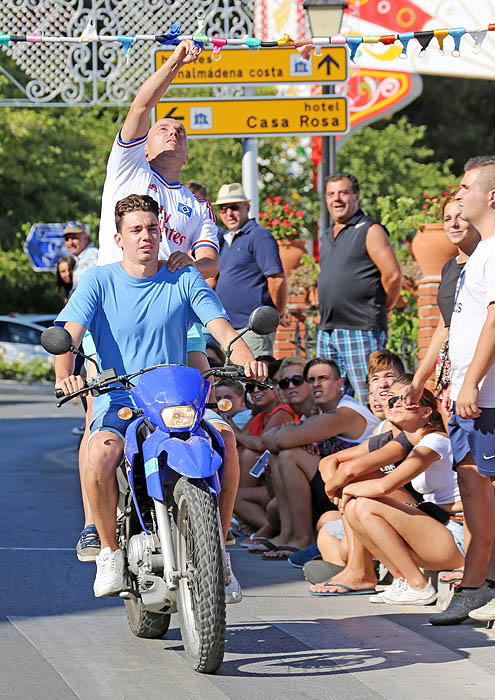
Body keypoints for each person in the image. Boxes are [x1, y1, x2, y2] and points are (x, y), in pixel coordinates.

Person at [78, 42, 242, 590]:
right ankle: (94, 527)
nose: (172, 131)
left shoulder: (193, 205)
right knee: (106, 405)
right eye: (163, 127)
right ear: (143, 143)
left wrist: (193, 260)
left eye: (181, 130)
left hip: (175, 307)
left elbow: (209, 258)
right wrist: (174, 65)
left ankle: (211, 540)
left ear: (189, 153)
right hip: (115, 307)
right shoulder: (128, 173)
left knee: (199, 407)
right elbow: (141, 107)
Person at [54, 194, 267, 598]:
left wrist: (247, 360)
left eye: (152, 228)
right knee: (100, 451)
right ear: (119, 238)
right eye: (136, 230)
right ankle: (109, 552)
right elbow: (69, 336)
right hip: (120, 398)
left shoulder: (184, 279)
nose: (146, 236)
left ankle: (218, 549)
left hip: (177, 400)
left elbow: (222, 330)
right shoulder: (99, 281)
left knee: (225, 438)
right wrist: (67, 376)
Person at [430, 156, 495, 625]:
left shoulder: (493, 251)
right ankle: (478, 583)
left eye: (467, 187)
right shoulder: (482, 253)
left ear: (491, 197)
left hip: (485, 398)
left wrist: (470, 380)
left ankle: (475, 586)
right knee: (475, 492)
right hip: (473, 396)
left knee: (477, 493)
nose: (460, 193)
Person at [331, 384, 464, 606]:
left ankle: (418, 586)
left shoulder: (435, 440)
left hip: (457, 536)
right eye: (393, 401)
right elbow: (339, 464)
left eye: (407, 400)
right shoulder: (414, 443)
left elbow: (385, 486)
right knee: (355, 508)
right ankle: (404, 580)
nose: (397, 404)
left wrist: (345, 489)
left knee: (364, 505)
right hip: (438, 528)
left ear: (426, 411)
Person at [257, 358, 378, 560]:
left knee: (289, 455)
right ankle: (287, 535)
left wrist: (293, 438)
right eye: (311, 379)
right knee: (282, 457)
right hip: (337, 486)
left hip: (357, 489)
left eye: (323, 378)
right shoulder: (318, 415)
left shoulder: (345, 412)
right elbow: (269, 440)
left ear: (339, 384)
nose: (316, 384)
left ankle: (302, 538)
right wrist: (295, 438)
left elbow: (282, 439)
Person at [317, 172, 401, 404]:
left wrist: (384, 308)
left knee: (370, 399)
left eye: (343, 193)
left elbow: (393, 275)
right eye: (331, 194)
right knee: (330, 402)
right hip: (327, 330)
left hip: (361, 328)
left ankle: (382, 440)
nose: (337, 199)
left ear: (356, 196)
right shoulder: (326, 235)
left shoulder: (370, 229)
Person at [404, 193, 479, 407]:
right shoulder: (448, 267)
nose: (453, 224)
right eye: (447, 218)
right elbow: (444, 328)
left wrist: (470, 382)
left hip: (481, 378)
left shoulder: (486, 262)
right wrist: (417, 382)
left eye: (461, 217)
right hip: (454, 375)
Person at [211, 182, 288, 357]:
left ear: (247, 207)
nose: (228, 213)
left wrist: (278, 313)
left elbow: (276, 278)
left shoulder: (258, 236)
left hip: (252, 330)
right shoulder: (224, 239)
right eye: (223, 208)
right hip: (227, 331)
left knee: (253, 382)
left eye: (234, 207)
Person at [62, 222, 98, 289]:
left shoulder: (92, 256)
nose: (70, 242)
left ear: (85, 237)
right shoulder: (80, 258)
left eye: (74, 237)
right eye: (67, 239)